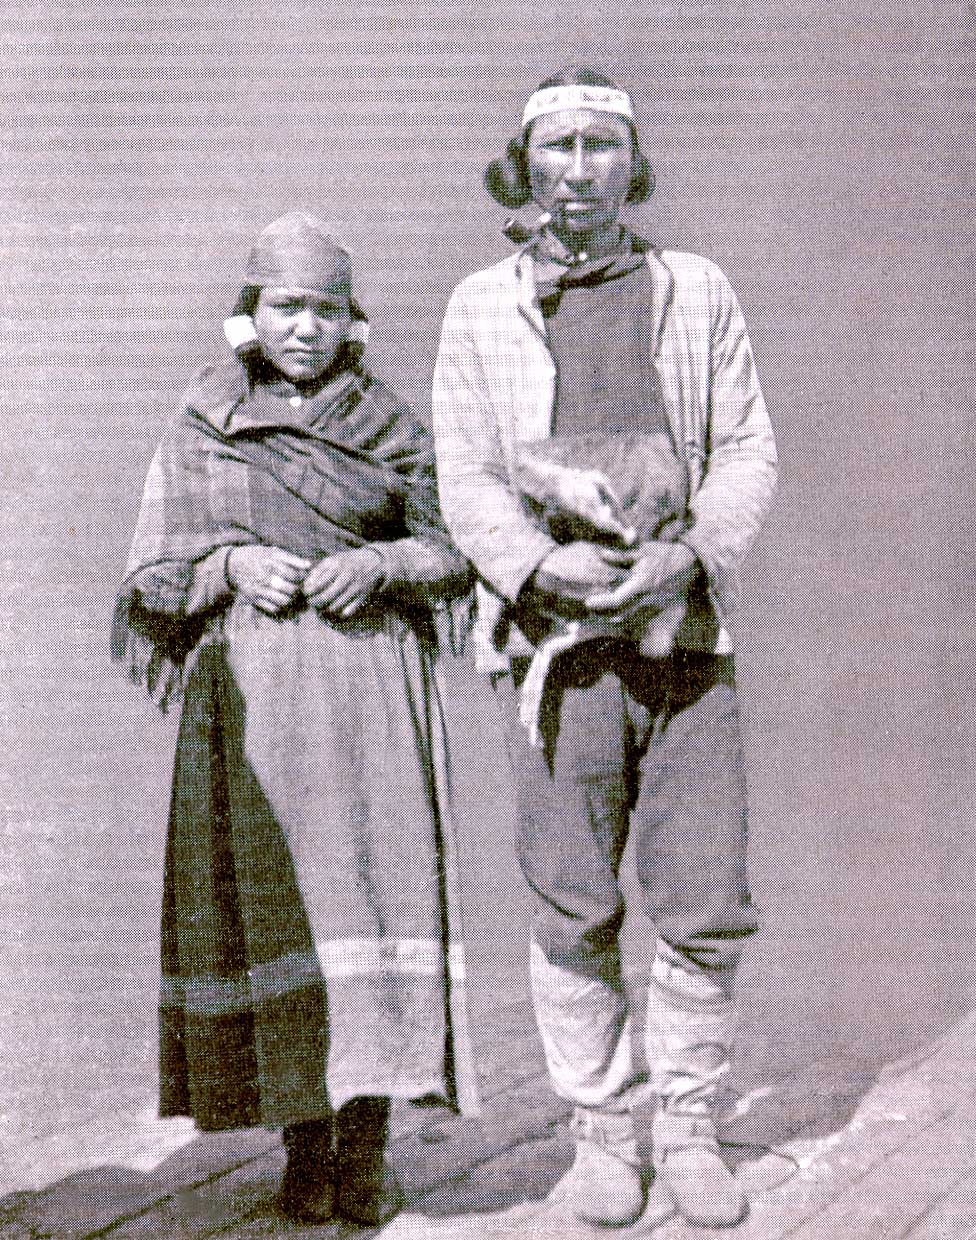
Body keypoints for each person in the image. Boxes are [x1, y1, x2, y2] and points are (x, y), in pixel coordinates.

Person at [432, 69, 777, 1230]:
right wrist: (538, 566)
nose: (577, 168)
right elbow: (466, 475)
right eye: (556, 146)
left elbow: (746, 451)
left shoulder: (696, 291)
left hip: (682, 639)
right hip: (558, 646)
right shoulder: (482, 306)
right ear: (522, 162)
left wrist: (691, 556)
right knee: (571, 894)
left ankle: (686, 1124)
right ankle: (600, 1135)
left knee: (702, 890)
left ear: (634, 162)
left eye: (600, 145)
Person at [112, 211, 478, 1227]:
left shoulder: (392, 425)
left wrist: (385, 561)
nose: (305, 328)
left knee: (367, 902)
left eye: (325, 309)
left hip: (371, 701)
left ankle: (365, 1150)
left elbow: (455, 547)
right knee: (283, 913)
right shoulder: (202, 424)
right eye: (286, 307)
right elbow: (150, 571)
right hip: (254, 709)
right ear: (250, 314)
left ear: (350, 320)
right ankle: (301, 1150)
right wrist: (230, 564)